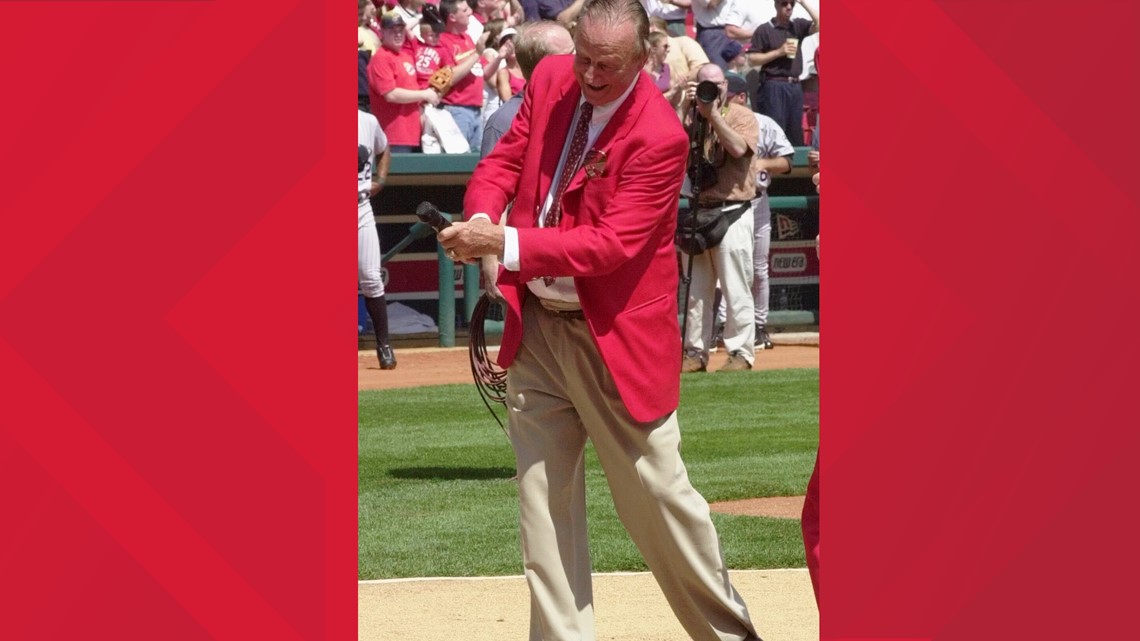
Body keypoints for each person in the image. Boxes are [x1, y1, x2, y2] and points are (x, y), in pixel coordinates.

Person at [437, 1, 764, 639]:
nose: (588, 74)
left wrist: (503, 245)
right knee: (543, 513)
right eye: (582, 57)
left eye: (606, 65)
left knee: (664, 506)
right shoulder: (553, 78)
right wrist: (482, 215)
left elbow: (606, 246)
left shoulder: (660, 137)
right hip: (537, 328)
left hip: (614, 340)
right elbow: (502, 163)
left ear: (645, 59)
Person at [681, 63, 759, 373]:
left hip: (733, 209)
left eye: (717, 84)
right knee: (697, 290)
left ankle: (741, 352)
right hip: (700, 209)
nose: (712, 90)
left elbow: (739, 148)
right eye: (705, 84)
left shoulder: (742, 115)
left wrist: (712, 114)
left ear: (726, 85)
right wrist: (685, 107)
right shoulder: (691, 115)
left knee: (735, 286)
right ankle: (694, 353)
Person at [479, 20, 575, 156]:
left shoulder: (582, 106)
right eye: (571, 53)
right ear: (545, 66)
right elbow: (493, 175)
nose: (579, 59)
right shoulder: (505, 121)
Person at [745, 0, 818, 146]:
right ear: (776, 5)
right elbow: (752, 59)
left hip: (795, 85)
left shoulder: (796, 25)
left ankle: (795, 166)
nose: (789, 7)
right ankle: (773, 165)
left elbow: (820, 24)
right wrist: (779, 52)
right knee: (775, 129)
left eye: (792, 3)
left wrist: (803, 3)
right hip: (773, 83)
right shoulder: (764, 29)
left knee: (795, 130)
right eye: (784, 3)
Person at [368, 11, 443, 152]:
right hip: (393, 134)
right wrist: (424, 94)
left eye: (400, 30)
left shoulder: (405, 56)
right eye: (392, 30)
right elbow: (390, 94)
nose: (398, 34)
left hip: (413, 132)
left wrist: (428, 96)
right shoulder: (381, 57)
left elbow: (411, 89)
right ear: (382, 32)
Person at [358, 109, 397, 369]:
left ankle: (384, 346)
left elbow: (384, 149)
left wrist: (380, 180)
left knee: (371, 276)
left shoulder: (367, 120)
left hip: (360, 207)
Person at [439, 0, 492, 151]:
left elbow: (482, 73)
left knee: (475, 163)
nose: (470, 12)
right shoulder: (443, 41)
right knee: (457, 162)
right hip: (456, 109)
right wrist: (477, 53)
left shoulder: (467, 39)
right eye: (464, 10)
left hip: (476, 109)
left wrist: (501, 57)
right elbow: (450, 78)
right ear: (452, 17)